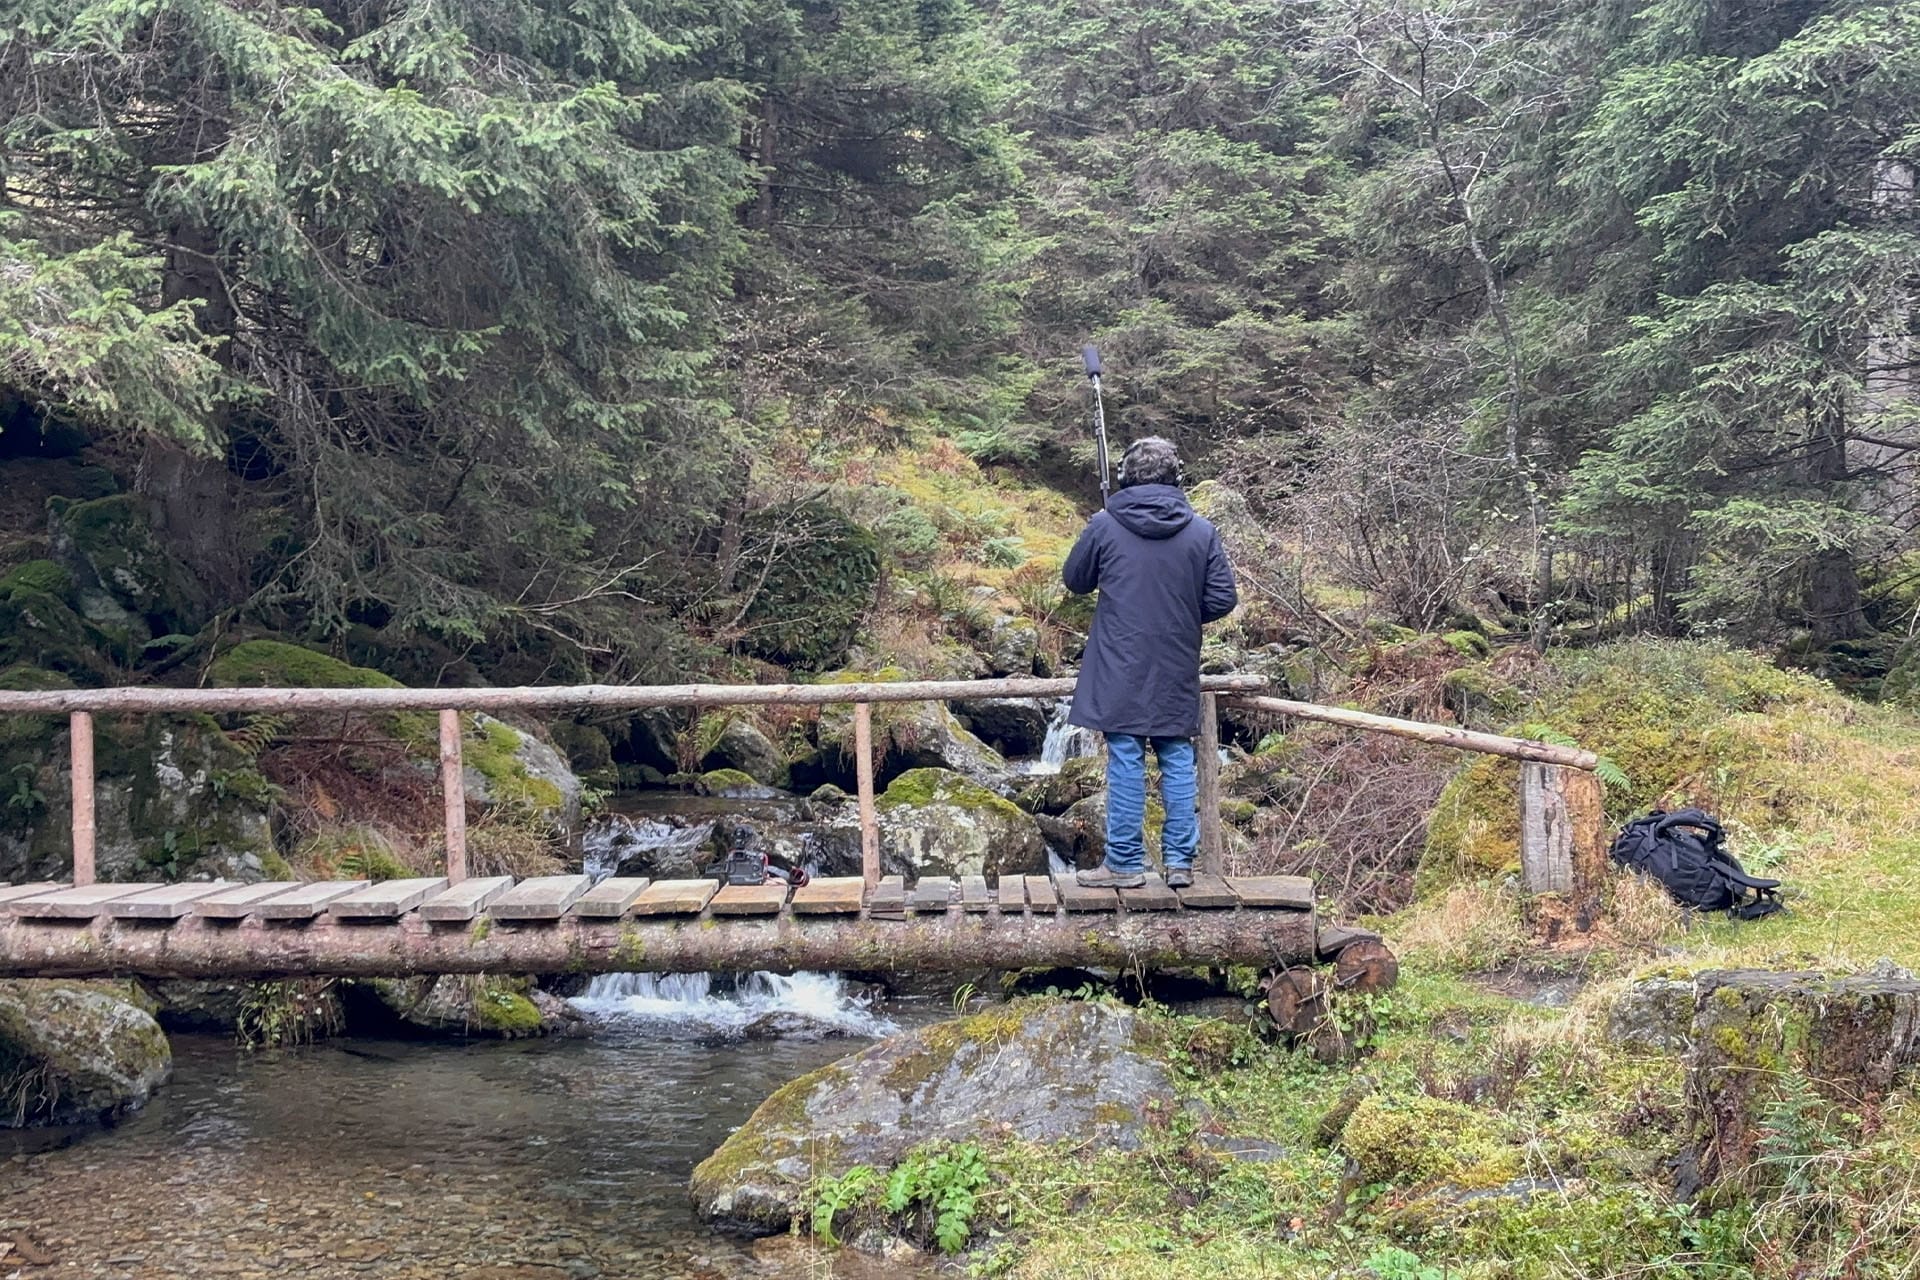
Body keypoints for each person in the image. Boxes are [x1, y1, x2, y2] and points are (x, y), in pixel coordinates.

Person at [1062, 435, 1238, 890]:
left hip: (1119, 659)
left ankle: (1124, 864)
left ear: (1125, 477)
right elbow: (1222, 597)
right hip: (1176, 659)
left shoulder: (1105, 523)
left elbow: (1075, 581)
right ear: (1177, 477)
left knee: (1125, 758)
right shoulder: (1201, 530)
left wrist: (1099, 531)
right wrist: (1179, 614)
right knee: (1176, 755)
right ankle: (1180, 863)